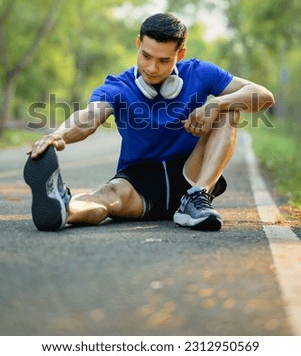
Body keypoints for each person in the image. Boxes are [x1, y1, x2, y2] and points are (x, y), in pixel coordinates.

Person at [24, 13, 275, 232]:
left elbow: (264, 96)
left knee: (230, 109)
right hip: (139, 183)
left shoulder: (199, 72)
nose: (152, 68)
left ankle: (198, 197)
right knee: (106, 196)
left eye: (164, 60)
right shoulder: (118, 86)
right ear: (138, 44)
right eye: (146, 56)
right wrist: (59, 134)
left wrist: (216, 104)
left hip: (190, 174)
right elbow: (90, 117)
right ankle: (63, 208)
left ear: (181, 54)